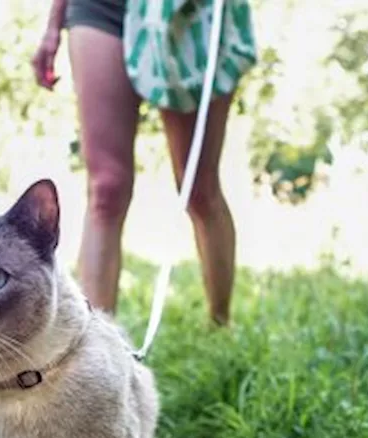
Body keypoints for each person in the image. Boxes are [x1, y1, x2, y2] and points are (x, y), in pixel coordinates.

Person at [32, 0, 240, 326]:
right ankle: (94, 343)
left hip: (186, 12)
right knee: (106, 188)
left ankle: (220, 324)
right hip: (101, 9)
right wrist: (52, 26)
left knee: (199, 187)